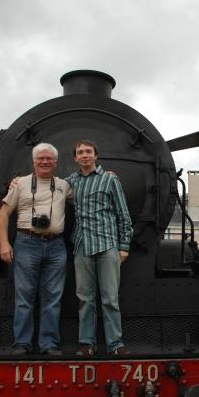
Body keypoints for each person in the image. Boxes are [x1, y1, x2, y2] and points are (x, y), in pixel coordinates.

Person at [0, 143, 72, 356]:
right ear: (34, 161)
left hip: (56, 245)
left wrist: (108, 173)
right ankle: (22, 344)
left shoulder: (63, 185)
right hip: (27, 243)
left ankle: (49, 344)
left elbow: (85, 196)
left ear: (56, 163)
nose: (45, 161)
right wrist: (4, 243)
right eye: (41, 158)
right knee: (24, 296)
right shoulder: (20, 184)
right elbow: (3, 214)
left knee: (53, 298)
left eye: (49, 158)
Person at [67, 140, 133, 356]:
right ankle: (87, 343)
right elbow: (49, 183)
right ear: (75, 158)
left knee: (110, 299)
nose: (84, 155)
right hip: (82, 246)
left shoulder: (110, 179)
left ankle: (115, 343)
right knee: (85, 299)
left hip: (107, 246)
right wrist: (18, 180)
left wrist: (124, 247)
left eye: (88, 152)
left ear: (96, 156)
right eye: (80, 152)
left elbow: (123, 214)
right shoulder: (71, 181)